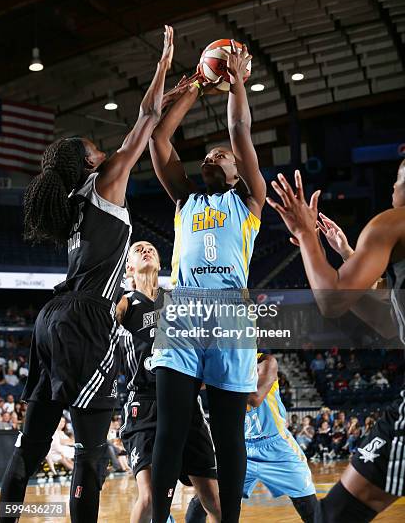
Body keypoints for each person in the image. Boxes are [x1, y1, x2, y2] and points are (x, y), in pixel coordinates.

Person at [0, 26, 176, 523]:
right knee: (89, 454)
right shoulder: (106, 182)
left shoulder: (70, 203)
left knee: (30, 447)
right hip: (84, 319)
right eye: (99, 148)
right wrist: (164, 63)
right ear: (90, 162)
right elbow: (146, 117)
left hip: (50, 318)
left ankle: (5, 517)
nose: (106, 151)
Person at [149, 41, 266, 522]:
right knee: (169, 429)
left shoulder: (249, 202)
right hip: (182, 310)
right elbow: (159, 139)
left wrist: (236, 82)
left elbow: (239, 128)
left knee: (227, 432)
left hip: (231, 314)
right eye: (211, 152)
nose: (216, 154)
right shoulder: (185, 201)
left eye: (225, 155)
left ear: (239, 174)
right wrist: (197, 83)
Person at [266, 160, 405, 521]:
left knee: (334, 516)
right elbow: (389, 323)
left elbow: (331, 300)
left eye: (397, 179)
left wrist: (306, 234)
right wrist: (348, 256)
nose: (392, 188)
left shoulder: (392, 220)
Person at [116, 240, 221, 523]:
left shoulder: (175, 301)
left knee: (216, 503)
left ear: (160, 263)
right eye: (138, 249)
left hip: (184, 402)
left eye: (151, 248)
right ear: (128, 268)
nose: (145, 250)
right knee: (149, 497)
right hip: (146, 405)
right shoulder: (124, 303)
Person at [186, 353, 317, 523]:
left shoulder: (265, 361)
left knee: (309, 508)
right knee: (203, 501)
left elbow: (255, 397)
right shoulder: (219, 363)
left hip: (277, 447)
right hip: (241, 447)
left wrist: (217, 380)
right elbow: (192, 382)